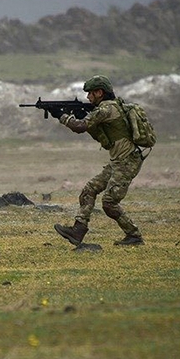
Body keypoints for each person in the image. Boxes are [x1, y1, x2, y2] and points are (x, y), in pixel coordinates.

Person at [53, 75, 145, 247]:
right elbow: (97, 130)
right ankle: (78, 231)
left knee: (109, 203)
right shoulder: (108, 107)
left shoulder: (106, 109)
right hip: (119, 161)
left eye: (90, 94)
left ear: (99, 92)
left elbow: (79, 127)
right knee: (89, 190)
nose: (88, 98)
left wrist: (61, 116)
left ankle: (134, 235)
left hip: (127, 162)